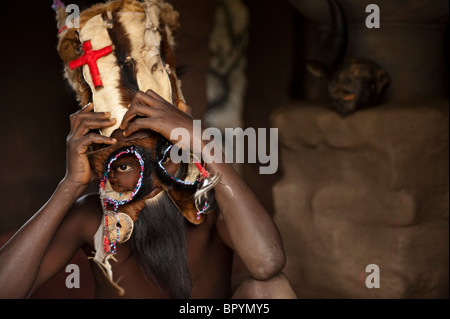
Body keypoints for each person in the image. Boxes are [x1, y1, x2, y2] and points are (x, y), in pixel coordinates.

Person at [0, 89, 296, 299]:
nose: (151, 176)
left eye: (164, 153)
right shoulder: (90, 218)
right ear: (108, 173)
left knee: (268, 289)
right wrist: (70, 185)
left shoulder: (209, 203)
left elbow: (267, 263)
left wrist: (208, 149)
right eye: (128, 163)